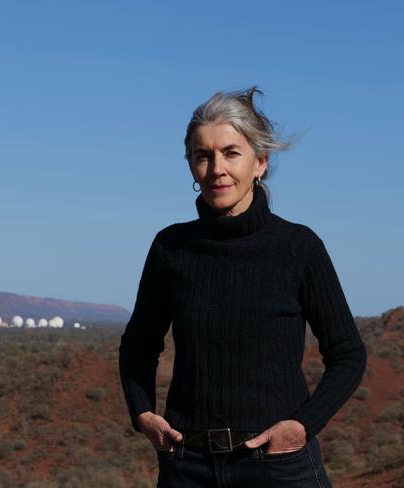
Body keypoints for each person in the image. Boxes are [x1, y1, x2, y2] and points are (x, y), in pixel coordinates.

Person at [118, 86, 367, 488]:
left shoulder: (299, 247)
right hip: (187, 467)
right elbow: (139, 343)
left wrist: (303, 426)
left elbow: (348, 353)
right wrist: (143, 412)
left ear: (260, 163)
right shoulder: (171, 248)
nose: (217, 168)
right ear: (191, 166)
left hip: (279, 466)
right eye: (203, 155)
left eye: (231, 153)